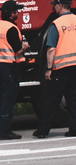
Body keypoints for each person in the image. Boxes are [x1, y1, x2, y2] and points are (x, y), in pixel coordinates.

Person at [34, 0, 76, 138]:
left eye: (55, 5)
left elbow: (51, 49)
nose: (53, 7)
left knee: (52, 99)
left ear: (60, 5)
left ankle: (42, 131)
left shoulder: (56, 24)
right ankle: (74, 129)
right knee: (73, 99)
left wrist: (49, 68)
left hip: (61, 67)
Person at [0, 1, 29, 140]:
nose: (18, 13)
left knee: (0, 99)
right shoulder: (12, 28)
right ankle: (5, 131)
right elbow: (18, 49)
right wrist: (25, 46)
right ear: (11, 13)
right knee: (9, 99)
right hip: (10, 66)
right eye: (16, 11)